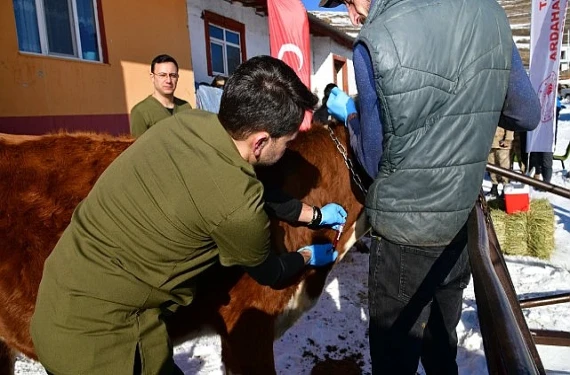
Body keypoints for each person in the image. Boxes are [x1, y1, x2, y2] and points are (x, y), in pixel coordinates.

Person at [30, 55, 347, 374]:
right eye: (288, 141)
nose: (289, 148)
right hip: (102, 343)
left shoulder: (188, 123)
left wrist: (314, 215)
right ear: (261, 141)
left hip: (58, 299)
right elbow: (271, 272)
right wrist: (306, 255)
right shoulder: (238, 210)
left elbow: (256, 186)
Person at [318, 0, 541, 373]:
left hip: (404, 233)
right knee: (441, 352)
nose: (352, 14)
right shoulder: (488, 13)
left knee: (394, 361)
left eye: (348, 0)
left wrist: (353, 116)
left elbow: (376, 160)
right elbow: (526, 113)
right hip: (459, 224)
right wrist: (470, 102)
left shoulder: (373, 42)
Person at [130, 54, 192, 137]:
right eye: (162, 75)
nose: (168, 80)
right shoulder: (141, 111)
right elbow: (138, 148)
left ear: (177, 78)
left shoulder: (185, 107)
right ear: (152, 77)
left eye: (173, 75)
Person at [487, 126, 514, 197]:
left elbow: (509, 124)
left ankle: (506, 187)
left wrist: (508, 139)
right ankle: (494, 187)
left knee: (504, 167)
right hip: (491, 142)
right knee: (491, 165)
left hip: (502, 142)